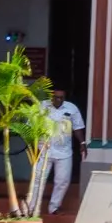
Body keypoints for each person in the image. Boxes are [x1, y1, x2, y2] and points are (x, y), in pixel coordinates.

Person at [41, 87, 86, 215]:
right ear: (51, 97)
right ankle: (31, 207)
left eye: (61, 97)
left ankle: (54, 207)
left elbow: (77, 127)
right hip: (44, 150)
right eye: (56, 97)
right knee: (39, 179)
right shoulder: (42, 106)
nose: (59, 100)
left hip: (64, 151)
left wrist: (82, 143)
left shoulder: (71, 108)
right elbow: (32, 125)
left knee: (62, 181)